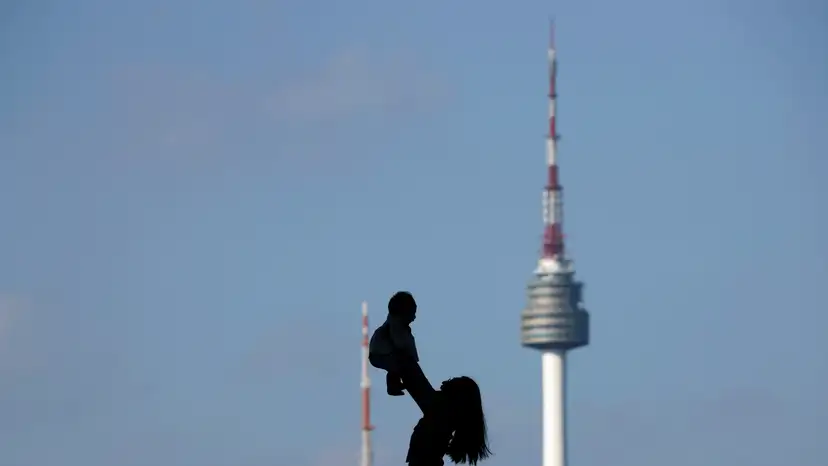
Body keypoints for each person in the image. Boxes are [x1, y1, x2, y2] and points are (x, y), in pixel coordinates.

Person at [405, 376, 492, 466]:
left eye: (450, 382)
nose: (443, 383)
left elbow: (412, 375)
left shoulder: (440, 412)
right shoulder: (444, 417)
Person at [368, 291, 419, 396]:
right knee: (400, 363)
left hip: (380, 352)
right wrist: (411, 358)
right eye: (412, 313)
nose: (414, 317)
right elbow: (401, 342)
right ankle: (394, 385)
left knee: (397, 365)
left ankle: (395, 384)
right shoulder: (396, 325)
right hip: (382, 352)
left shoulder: (396, 325)